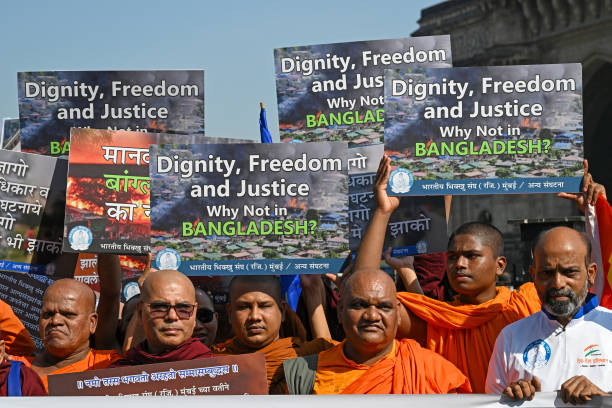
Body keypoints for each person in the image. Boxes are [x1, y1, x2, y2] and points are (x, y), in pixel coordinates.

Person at [354, 155, 542, 392]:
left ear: (500, 265)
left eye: (471, 256)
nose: (459, 264)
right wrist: (383, 212)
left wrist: (592, 212)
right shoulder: (440, 324)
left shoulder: (526, 306)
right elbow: (362, 290)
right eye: (452, 257)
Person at [283, 268, 471, 394]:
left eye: (384, 307)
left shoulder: (432, 371)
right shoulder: (303, 374)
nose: (372, 316)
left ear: (398, 314)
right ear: (340, 311)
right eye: (359, 305)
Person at [486, 226, 612, 404]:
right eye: (547, 273)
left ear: (590, 274)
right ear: (533, 275)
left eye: (569, 272)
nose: (558, 283)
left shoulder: (609, 327)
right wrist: (514, 399)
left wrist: (603, 399)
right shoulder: (511, 337)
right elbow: (489, 404)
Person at [10, 254, 122, 391]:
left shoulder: (106, 365)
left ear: (92, 322)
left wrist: (106, 240)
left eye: (68, 314)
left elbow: (111, 294)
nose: (56, 321)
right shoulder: (12, 369)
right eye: (48, 314)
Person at [212, 275, 336, 394]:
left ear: (282, 311)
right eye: (244, 307)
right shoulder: (214, 360)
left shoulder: (308, 356)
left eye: (264, 306)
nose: (255, 316)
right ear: (229, 313)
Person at [112, 270, 213, 366]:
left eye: (183, 308)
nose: (172, 316)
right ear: (140, 312)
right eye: (159, 308)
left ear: (194, 314)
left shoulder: (219, 372)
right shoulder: (120, 376)